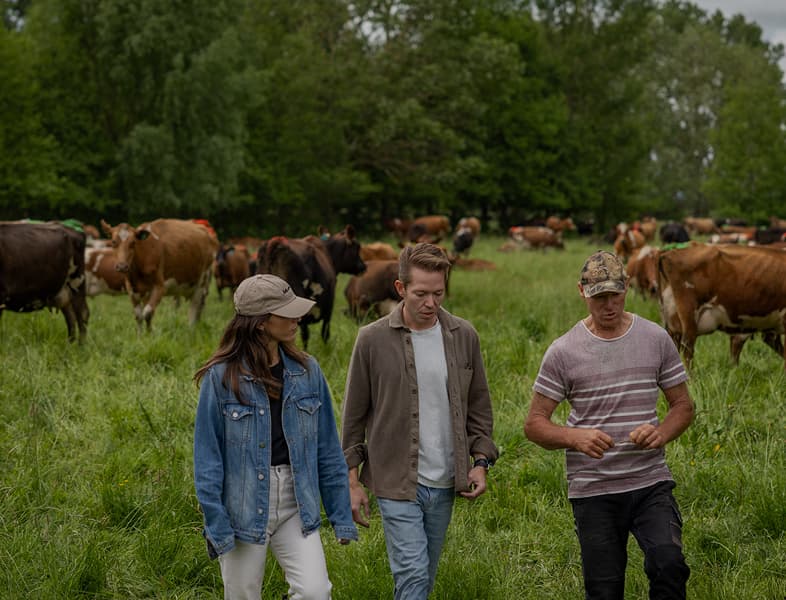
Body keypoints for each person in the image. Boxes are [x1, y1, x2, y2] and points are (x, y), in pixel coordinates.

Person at [524, 250, 694, 600]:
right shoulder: (563, 351)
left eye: (615, 294)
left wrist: (661, 432)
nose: (609, 305)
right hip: (594, 489)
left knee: (669, 564)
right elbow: (534, 424)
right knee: (604, 589)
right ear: (581, 292)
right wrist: (575, 437)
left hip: (650, 481)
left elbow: (683, 406)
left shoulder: (655, 338)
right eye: (598, 297)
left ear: (627, 286)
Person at [341, 242, 498, 599]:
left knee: (423, 577)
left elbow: (479, 409)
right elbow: (352, 417)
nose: (431, 303)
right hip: (395, 479)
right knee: (412, 574)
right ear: (400, 288)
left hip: (445, 480)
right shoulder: (371, 339)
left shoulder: (464, 336)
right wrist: (351, 482)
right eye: (421, 294)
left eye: (438, 293)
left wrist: (480, 463)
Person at [193, 274, 357, 600]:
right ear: (260, 323)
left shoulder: (308, 371)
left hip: (297, 501)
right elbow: (207, 457)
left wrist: (340, 514)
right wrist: (216, 520)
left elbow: (327, 448)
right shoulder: (221, 378)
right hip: (241, 506)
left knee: (315, 592)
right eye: (287, 313)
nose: (298, 318)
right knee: (243, 594)